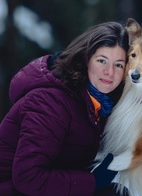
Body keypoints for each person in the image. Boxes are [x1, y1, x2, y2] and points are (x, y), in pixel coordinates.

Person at [0, 21, 130, 196]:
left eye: (119, 65)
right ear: (85, 60)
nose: (109, 72)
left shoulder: (100, 105)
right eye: (102, 61)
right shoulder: (50, 102)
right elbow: (27, 177)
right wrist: (92, 181)